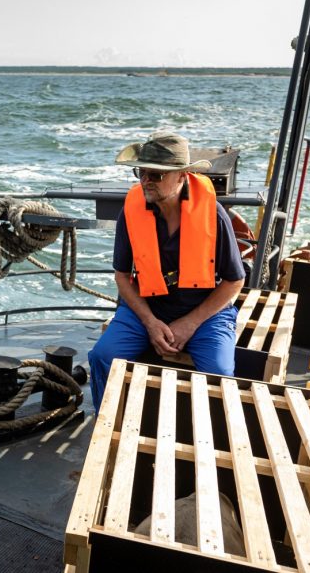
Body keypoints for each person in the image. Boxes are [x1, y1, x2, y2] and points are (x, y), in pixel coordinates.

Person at [88, 131, 245, 411]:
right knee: (102, 355)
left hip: (203, 312)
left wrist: (190, 323)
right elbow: (122, 276)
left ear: (182, 176)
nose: (146, 181)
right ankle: (107, 424)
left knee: (220, 373)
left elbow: (235, 281)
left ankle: (207, 442)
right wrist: (149, 321)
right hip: (149, 307)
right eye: (141, 172)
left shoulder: (214, 215)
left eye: (156, 175)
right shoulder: (131, 211)